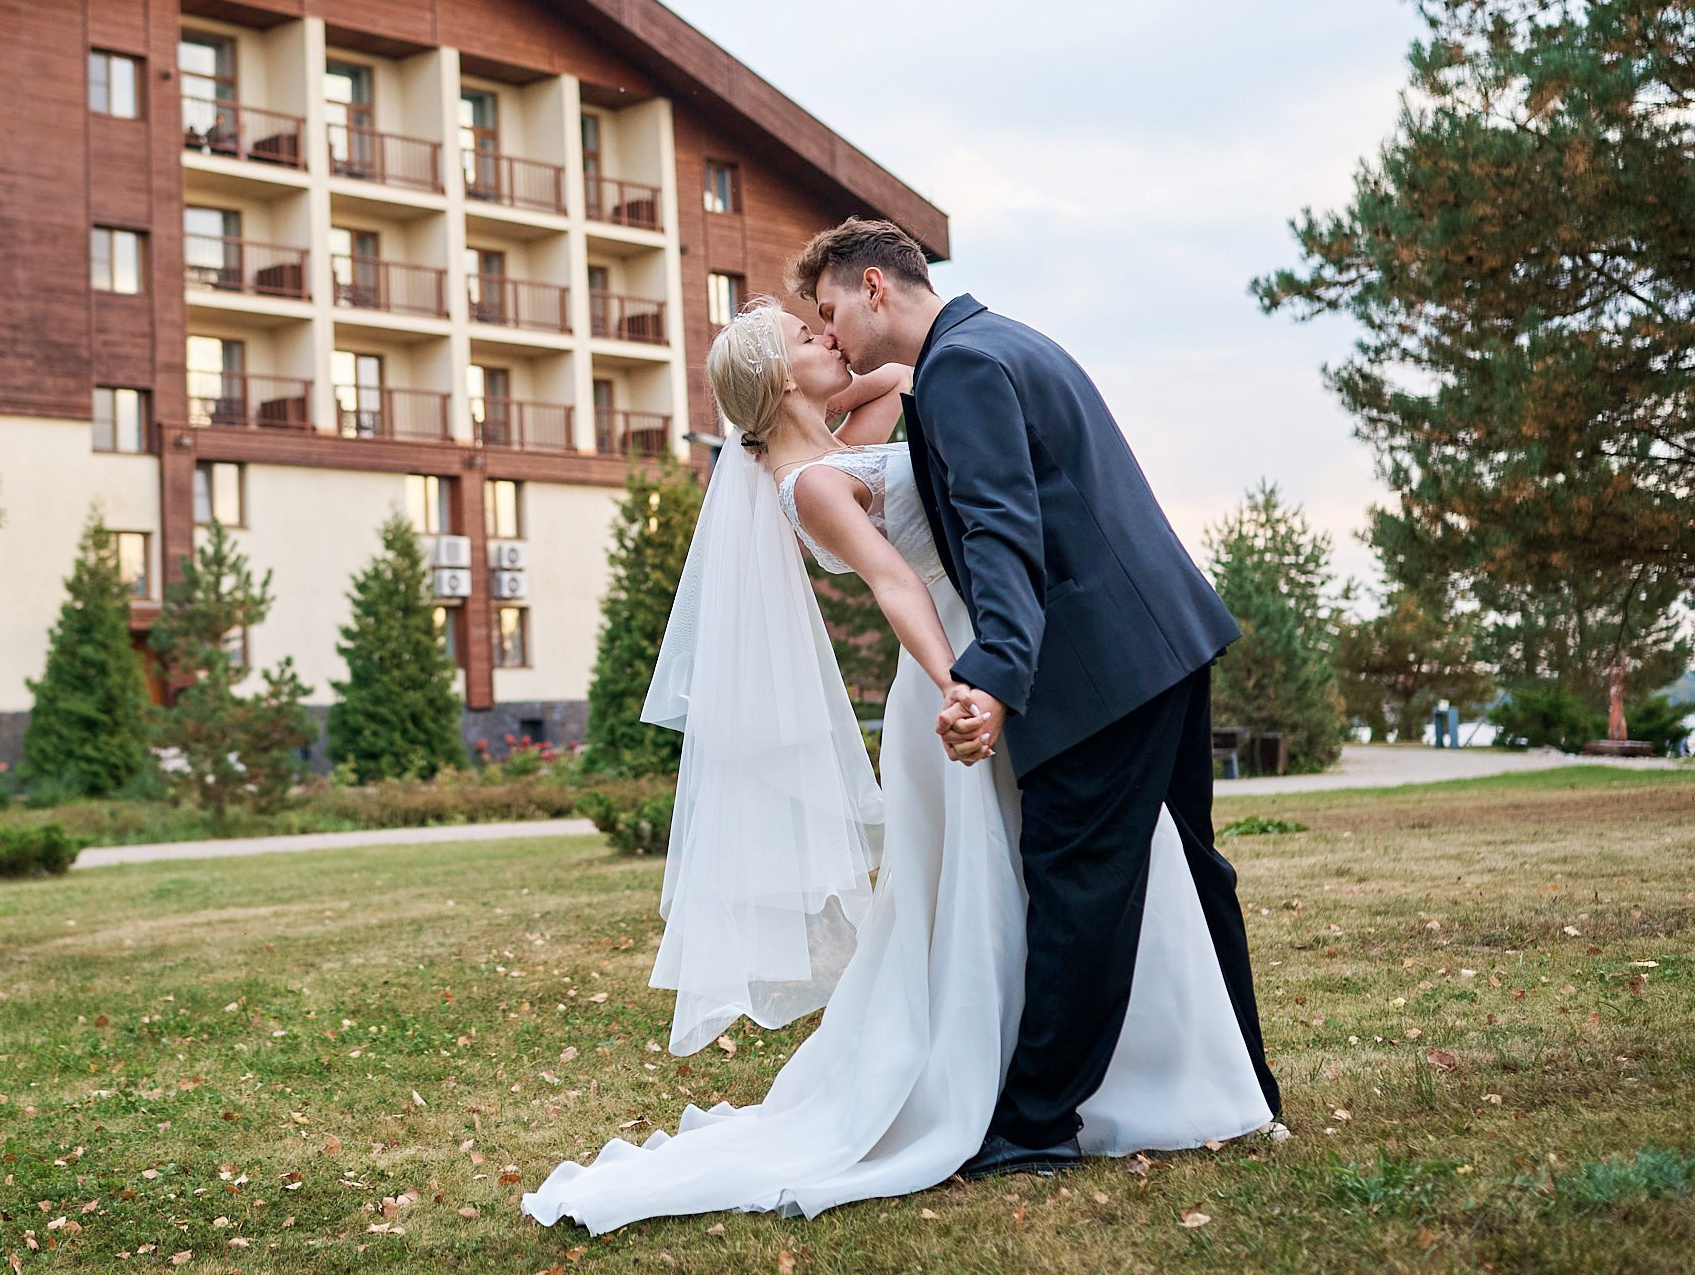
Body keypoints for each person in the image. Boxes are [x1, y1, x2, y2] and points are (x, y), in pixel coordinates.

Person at [522, 273, 1274, 1235]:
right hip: (954, 672)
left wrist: (852, 349)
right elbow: (894, 584)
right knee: (1001, 881)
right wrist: (963, 682)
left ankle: (1079, 1069)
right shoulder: (812, 482)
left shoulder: (851, 433)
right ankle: (1011, 1075)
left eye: (824, 320)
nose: (827, 339)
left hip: (997, 657)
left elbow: (905, 373)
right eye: (807, 336)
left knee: (1044, 871)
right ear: (778, 379)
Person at [801, 219, 1280, 1177]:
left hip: (1098, 664)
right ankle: (1247, 1088)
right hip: (1166, 637)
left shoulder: (960, 369)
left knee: (1075, 880)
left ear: (875, 287)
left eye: (830, 310)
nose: (833, 335)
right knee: (1194, 872)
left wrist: (993, 677)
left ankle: (1035, 1124)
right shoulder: (1001, 339)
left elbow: (1002, 532)